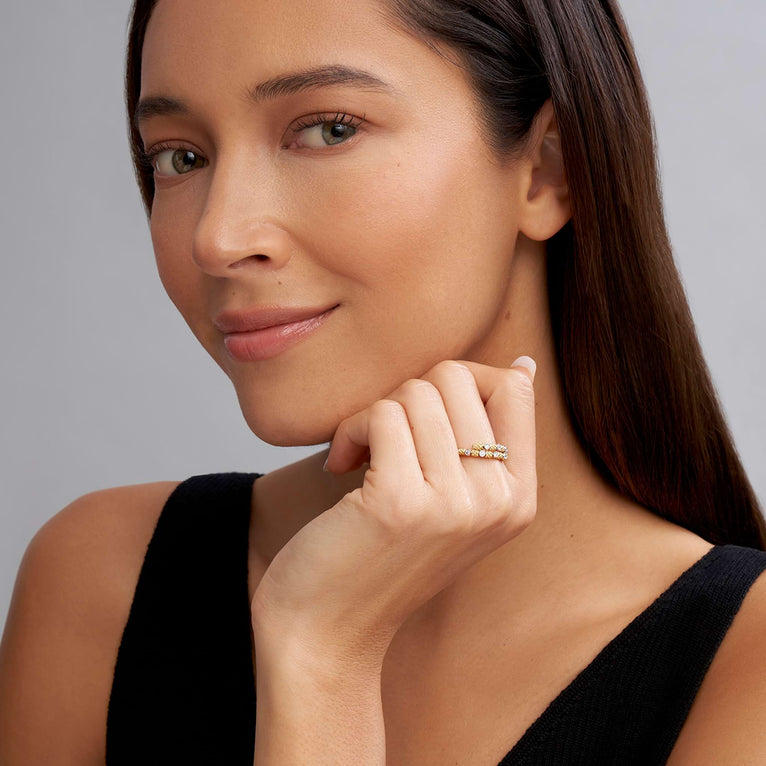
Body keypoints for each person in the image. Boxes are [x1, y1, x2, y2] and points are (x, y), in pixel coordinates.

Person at [1, 0, 765, 763]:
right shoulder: (102, 585)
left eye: (329, 129)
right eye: (179, 156)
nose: (217, 237)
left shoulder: (746, 668)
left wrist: (322, 656)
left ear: (546, 170)